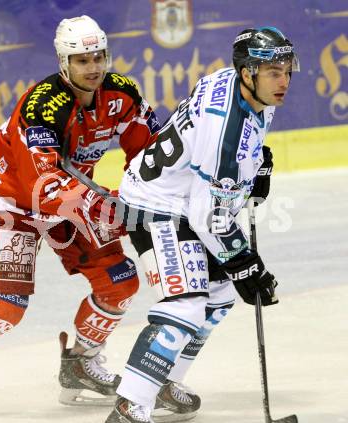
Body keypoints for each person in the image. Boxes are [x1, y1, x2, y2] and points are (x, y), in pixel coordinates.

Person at [0, 15, 192, 422]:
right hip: (13, 205)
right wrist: (123, 211)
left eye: (98, 56)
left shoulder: (122, 93)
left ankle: (80, 363)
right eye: (82, 60)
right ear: (64, 62)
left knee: (119, 283)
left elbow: (152, 153)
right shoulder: (43, 104)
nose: (93, 67)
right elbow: (46, 191)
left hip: (72, 200)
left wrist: (182, 183)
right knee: (4, 306)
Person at [105, 26, 300, 423]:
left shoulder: (238, 83)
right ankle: (130, 405)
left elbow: (220, 155)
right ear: (247, 73)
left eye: (286, 70)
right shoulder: (225, 128)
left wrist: (255, 161)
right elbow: (207, 215)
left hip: (185, 195)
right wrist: (245, 261)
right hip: (154, 204)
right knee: (188, 304)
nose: (283, 81)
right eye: (273, 72)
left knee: (219, 294)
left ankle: (158, 383)